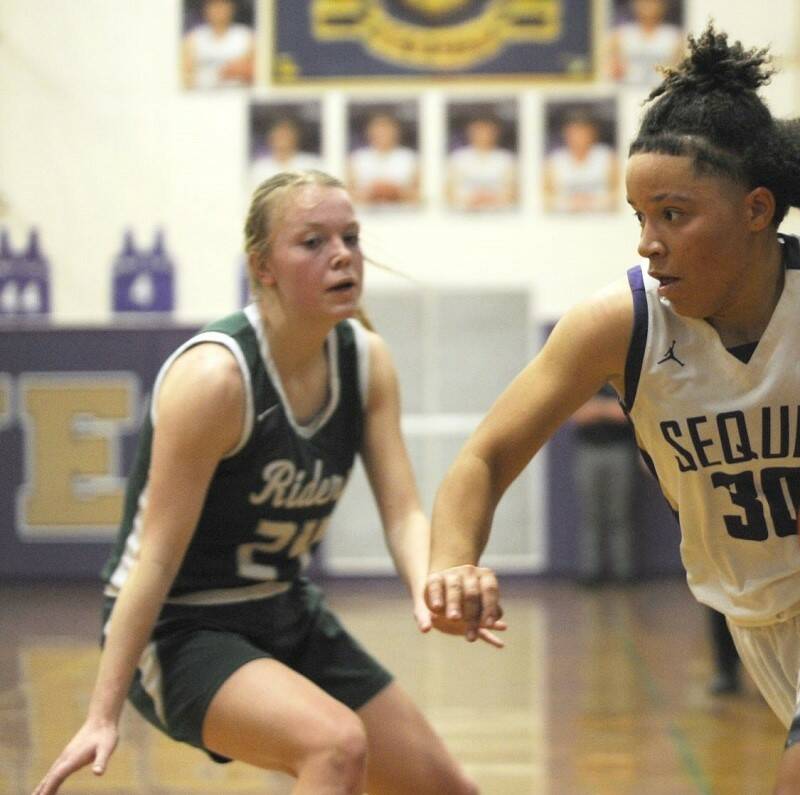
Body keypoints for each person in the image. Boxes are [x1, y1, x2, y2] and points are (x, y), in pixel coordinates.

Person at [425, 27, 800, 794]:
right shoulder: (618, 325)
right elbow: (484, 455)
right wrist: (452, 559)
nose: (649, 242)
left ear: (755, 208)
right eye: (638, 215)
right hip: (761, 620)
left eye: (674, 214)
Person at [33, 171, 498, 795]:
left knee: (446, 789)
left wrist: (427, 591)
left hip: (284, 610)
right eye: (312, 241)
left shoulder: (367, 359)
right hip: (178, 628)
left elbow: (403, 514)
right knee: (334, 746)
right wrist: (101, 712)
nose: (342, 255)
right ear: (263, 266)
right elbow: (154, 558)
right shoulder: (216, 380)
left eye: (351, 237)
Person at [571, 384, 638, 584]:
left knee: (621, 512)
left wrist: (597, 408)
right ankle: (590, 572)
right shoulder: (584, 380)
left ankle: (624, 571)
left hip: (620, 451)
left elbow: (625, 414)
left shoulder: (620, 383)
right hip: (589, 451)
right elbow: (579, 415)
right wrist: (608, 408)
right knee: (591, 514)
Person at [544, 110, 618, 213]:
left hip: (601, 219)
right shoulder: (555, 161)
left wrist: (592, 201)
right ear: (566, 133)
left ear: (593, 132)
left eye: (583, 131)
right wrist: (570, 203)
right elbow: (544, 198)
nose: (579, 136)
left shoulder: (606, 157)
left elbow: (619, 192)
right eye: (575, 132)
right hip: (564, 220)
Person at [446, 112, 517, 212]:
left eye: (487, 130)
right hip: (463, 214)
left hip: (500, 214)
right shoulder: (458, 158)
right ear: (470, 131)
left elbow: (512, 191)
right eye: (478, 130)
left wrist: (490, 199)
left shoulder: (505, 159)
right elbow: (449, 191)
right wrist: (472, 199)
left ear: (496, 132)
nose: (483, 134)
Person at [347, 112, 420, 209]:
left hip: (404, 215)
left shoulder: (409, 158)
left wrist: (396, 192)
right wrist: (372, 193)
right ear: (369, 132)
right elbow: (347, 195)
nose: (382, 134)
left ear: (396, 132)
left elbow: (420, 195)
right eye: (378, 129)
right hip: (366, 214)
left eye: (387, 129)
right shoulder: (358, 158)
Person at [606, 0, 684, 86]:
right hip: (628, 92)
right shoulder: (620, 36)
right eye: (643, 2)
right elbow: (610, 70)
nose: (648, 7)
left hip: (662, 92)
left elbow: (679, 71)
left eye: (653, 2)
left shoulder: (674, 37)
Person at [181, 0, 254, 90]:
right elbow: (184, 76)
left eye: (223, 5)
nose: (218, 10)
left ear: (231, 8)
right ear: (206, 9)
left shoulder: (246, 37)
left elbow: (257, 73)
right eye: (214, 5)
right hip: (201, 96)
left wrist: (240, 71)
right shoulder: (193, 38)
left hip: (237, 95)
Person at [249, 117, 324, 187]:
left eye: (286, 135)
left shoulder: (311, 164)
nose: (282, 140)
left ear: (295, 137)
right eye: (279, 135)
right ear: (271, 138)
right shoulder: (260, 168)